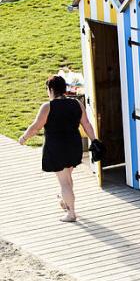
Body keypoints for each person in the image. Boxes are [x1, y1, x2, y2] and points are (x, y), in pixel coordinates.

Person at [19, 75, 98, 223]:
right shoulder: (76, 103)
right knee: (67, 177)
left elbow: (36, 127)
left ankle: (71, 213)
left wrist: (24, 138)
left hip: (56, 148)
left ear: (51, 89)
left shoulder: (48, 106)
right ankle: (65, 201)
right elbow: (86, 124)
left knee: (64, 182)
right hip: (74, 146)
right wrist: (94, 140)